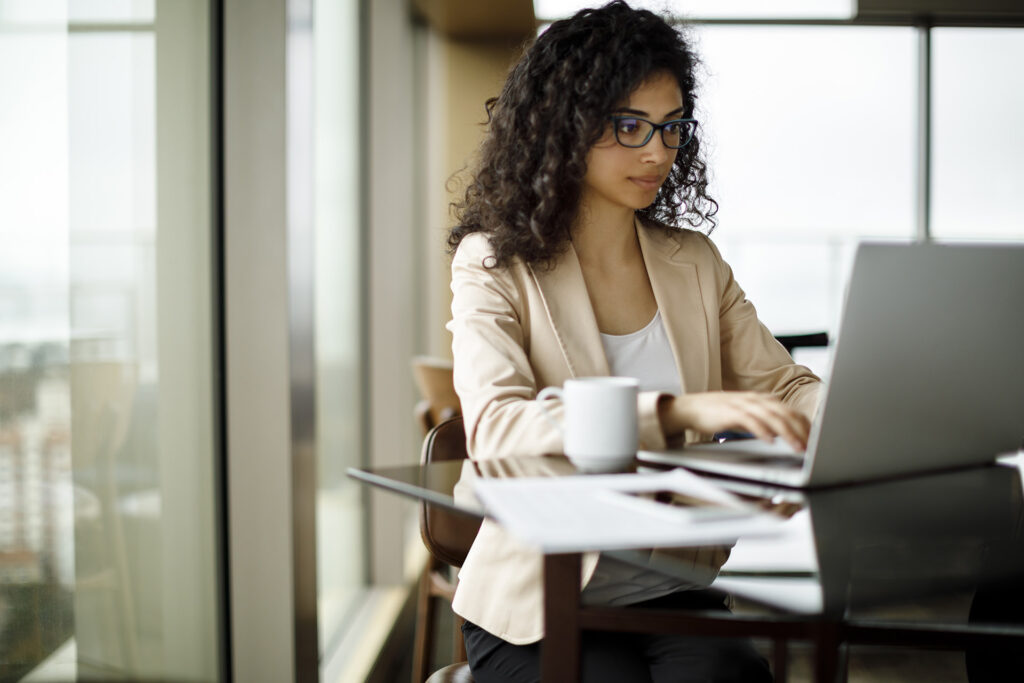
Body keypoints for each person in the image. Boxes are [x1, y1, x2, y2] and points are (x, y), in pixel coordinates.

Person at [445, 2, 822, 681]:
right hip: (539, 602)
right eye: (629, 127)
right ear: (563, 127)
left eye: (672, 127)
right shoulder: (493, 262)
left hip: (674, 586)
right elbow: (498, 426)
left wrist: (847, 419)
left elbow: (788, 386)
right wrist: (677, 411)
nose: (657, 152)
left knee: (729, 677)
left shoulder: (694, 262)